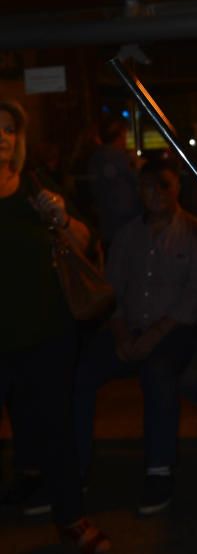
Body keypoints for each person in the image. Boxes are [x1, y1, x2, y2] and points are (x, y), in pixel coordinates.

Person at [75, 158, 197, 516]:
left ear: (177, 189)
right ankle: (75, 464)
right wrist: (122, 333)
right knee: (82, 369)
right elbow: (113, 291)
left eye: (163, 186)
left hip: (178, 330)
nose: (155, 194)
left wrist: (151, 337)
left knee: (159, 372)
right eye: (148, 186)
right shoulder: (126, 236)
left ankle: (159, 468)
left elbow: (195, 297)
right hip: (131, 327)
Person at [0, 100, 111, 553]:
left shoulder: (34, 185)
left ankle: (71, 517)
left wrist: (61, 218)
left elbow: (84, 243)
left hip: (47, 334)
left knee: (56, 429)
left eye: (8, 129)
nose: (3, 136)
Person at [87, 115, 141, 247]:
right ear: (119, 136)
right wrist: (137, 166)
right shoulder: (121, 158)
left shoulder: (95, 158)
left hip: (106, 221)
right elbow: (138, 181)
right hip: (126, 220)